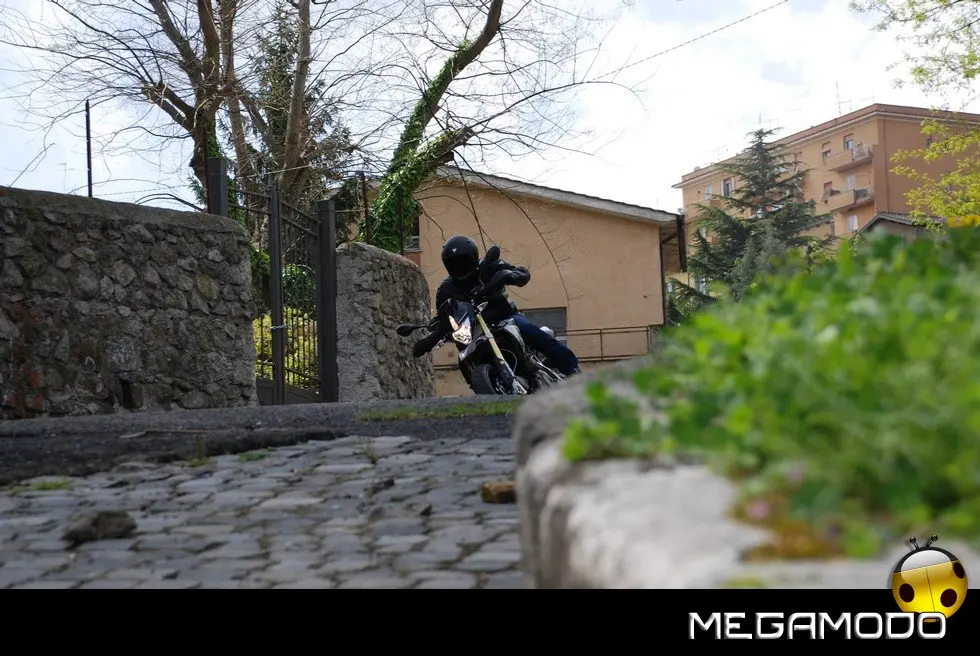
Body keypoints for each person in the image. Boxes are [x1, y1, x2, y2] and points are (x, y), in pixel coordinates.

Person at [414, 235, 580, 376]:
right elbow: (443, 312)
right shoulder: (446, 288)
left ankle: (570, 366)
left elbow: (522, 272)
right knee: (463, 357)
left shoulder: (488, 266)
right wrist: (436, 325)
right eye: (453, 263)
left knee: (527, 329)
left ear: (472, 257)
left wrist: (511, 276)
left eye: (462, 261)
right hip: (473, 330)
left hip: (505, 317)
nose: (458, 267)